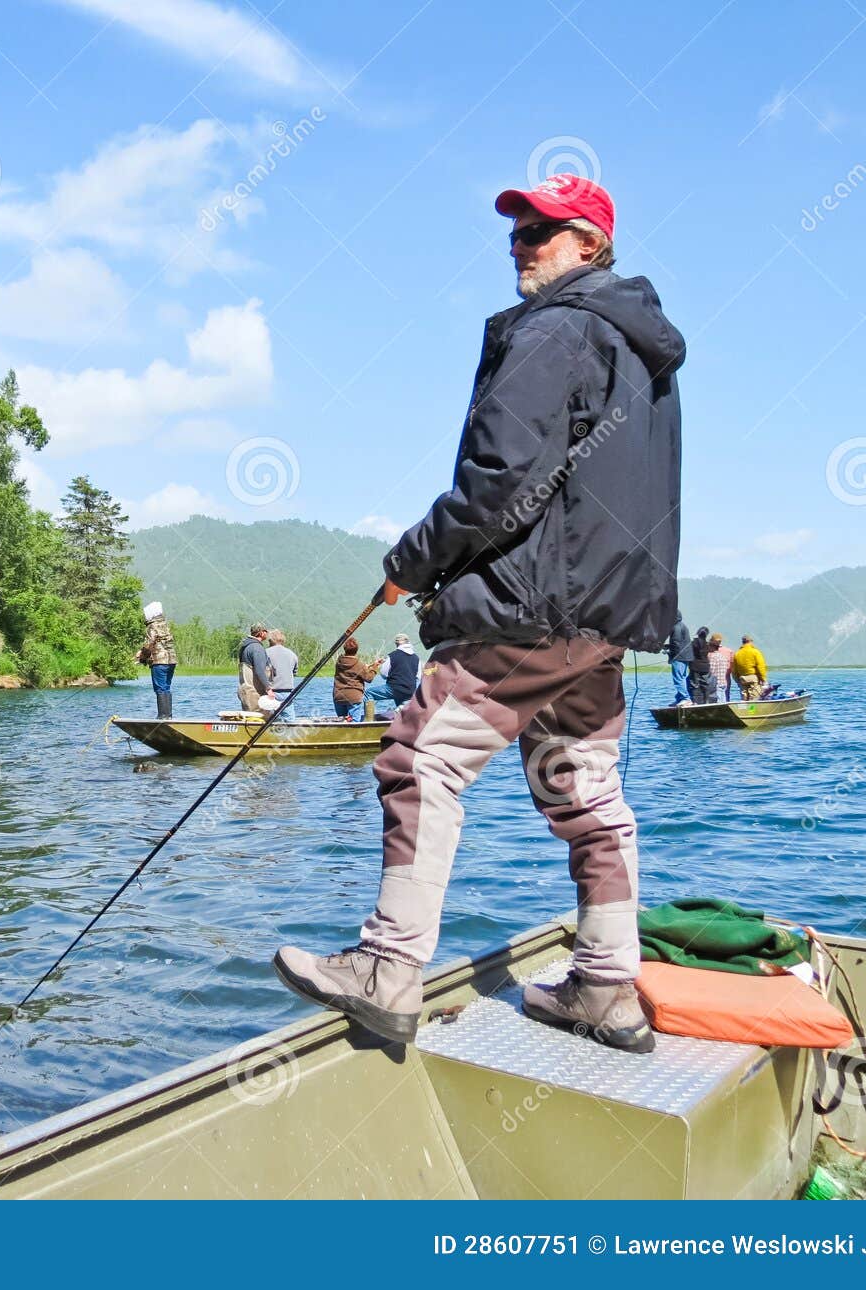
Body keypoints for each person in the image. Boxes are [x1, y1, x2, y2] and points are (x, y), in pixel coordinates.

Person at [273, 173, 684, 1055]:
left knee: (419, 756)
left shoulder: (559, 328)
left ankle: (387, 971)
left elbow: (500, 482)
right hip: (606, 612)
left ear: (590, 245)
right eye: (517, 228)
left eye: (544, 228)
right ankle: (608, 986)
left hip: (536, 608)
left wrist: (409, 563)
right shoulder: (641, 352)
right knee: (584, 792)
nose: (522, 241)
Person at [136, 602, 178, 719]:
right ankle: (168, 715)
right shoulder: (166, 626)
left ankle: (162, 716)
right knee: (166, 687)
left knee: (160, 688)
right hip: (172, 661)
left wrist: (142, 656)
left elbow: (150, 644)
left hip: (159, 661)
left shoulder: (151, 627)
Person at [236, 623, 278, 714]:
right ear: (261, 633)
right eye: (266, 632)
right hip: (254, 692)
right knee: (258, 718)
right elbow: (260, 671)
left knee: (250, 717)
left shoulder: (246, 646)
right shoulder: (257, 648)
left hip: (246, 690)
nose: (267, 634)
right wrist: (268, 689)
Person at [332, 639, 375, 720]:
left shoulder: (339, 662)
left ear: (345, 649)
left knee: (342, 721)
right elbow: (369, 678)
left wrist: (364, 667)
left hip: (338, 696)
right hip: (354, 697)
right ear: (356, 650)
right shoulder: (359, 664)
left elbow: (350, 668)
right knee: (355, 721)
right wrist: (374, 668)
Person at [266, 629, 300, 720]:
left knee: (270, 720)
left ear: (270, 640)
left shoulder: (265, 653)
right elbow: (295, 672)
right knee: (290, 719)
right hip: (287, 692)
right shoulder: (292, 654)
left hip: (271, 692)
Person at [666, 612, 692, 704]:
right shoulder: (682, 625)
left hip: (679, 657)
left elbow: (676, 643)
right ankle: (680, 698)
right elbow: (679, 643)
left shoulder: (676, 627)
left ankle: (685, 698)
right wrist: (668, 646)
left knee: (678, 678)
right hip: (685, 657)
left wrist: (671, 655)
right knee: (682, 678)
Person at [731, 634, 767, 700]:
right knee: (754, 697)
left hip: (742, 678)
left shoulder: (737, 653)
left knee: (744, 697)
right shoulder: (755, 652)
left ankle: (744, 709)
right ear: (750, 641)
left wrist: (737, 680)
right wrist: (763, 679)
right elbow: (760, 667)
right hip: (753, 678)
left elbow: (734, 670)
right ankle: (752, 710)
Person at [687, 626, 714, 704]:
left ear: (698, 633)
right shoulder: (707, 644)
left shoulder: (693, 643)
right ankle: (707, 701)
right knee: (705, 684)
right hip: (705, 667)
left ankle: (695, 702)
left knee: (694, 685)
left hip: (695, 667)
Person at [707, 632, 735, 702]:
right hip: (724, 682)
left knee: (718, 704)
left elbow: (711, 672)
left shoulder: (711, 656)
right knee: (724, 701)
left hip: (716, 684)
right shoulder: (723, 656)